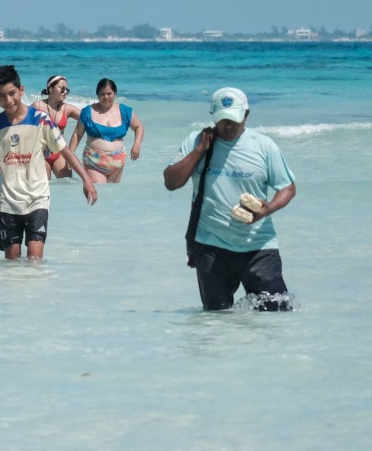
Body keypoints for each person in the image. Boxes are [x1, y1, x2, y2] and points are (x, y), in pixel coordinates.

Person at [163, 87, 296, 312]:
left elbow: (288, 187)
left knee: (276, 314)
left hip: (259, 248)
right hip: (211, 248)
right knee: (216, 319)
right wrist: (200, 151)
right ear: (213, 116)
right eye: (223, 119)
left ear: (246, 114)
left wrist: (268, 208)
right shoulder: (196, 141)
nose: (228, 125)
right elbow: (171, 182)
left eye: (234, 119)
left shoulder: (263, 146)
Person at [0, 65, 96, 260]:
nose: (8, 100)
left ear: (21, 90)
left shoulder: (41, 120)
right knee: (11, 264)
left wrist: (86, 180)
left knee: (34, 260)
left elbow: (65, 151)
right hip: (8, 204)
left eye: (12, 93)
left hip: (38, 199)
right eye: (1, 96)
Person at [66, 78, 144, 186]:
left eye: (109, 93)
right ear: (97, 95)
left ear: (115, 93)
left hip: (117, 162)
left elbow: (138, 127)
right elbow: (77, 134)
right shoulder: (88, 112)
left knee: (111, 195)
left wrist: (137, 145)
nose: (106, 97)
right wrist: (70, 156)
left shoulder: (125, 111)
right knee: (100, 190)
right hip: (94, 160)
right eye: (102, 94)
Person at [33, 75, 80, 178]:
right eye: (62, 88)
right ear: (50, 88)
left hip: (60, 153)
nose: (65, 92)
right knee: (44, 189)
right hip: (40, 154)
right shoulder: (37, 106)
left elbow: (88, 120)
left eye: (67, 89)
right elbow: (22, 128)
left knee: (67, 186)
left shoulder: (67, 109)